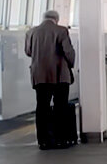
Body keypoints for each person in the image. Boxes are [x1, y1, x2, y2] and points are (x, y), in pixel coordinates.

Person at [25, 10, 76, 150]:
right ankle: (61, 139)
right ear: (56, 19)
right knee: (61, 106)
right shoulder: (61, 31)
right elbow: (68, 51)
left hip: (40, 75)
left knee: (42, 107)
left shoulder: (31, 32)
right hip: (60, 74)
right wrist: (70, 64)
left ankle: (43, 141)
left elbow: (28, 51)